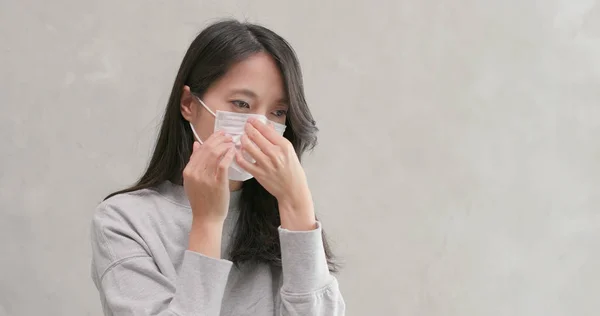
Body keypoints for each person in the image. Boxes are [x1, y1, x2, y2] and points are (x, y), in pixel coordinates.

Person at [90, 19, 345, 315]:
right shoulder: (123, 221)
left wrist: (297, 206)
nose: (258, 125)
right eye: (241, 104)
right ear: (189, 104)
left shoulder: (284, 221)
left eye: (278, 112)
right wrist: (207, 223)